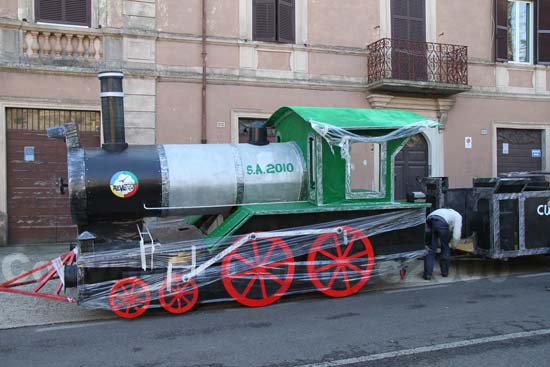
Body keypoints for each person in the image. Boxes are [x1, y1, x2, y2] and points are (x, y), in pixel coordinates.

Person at [423, 208, 462, 280]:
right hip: (442, 222)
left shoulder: (445, 211)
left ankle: (427, 274)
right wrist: (454, 246)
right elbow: (456, 235)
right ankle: (445, 273)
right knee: (445, 247)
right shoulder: (458, 216)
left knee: (430, 249)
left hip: (429, 220)